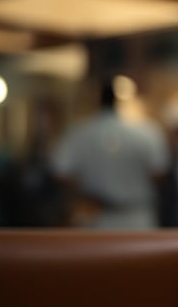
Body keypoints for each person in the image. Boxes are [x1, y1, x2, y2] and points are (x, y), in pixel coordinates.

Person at [50, 79, 170, 230]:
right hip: (137, 216)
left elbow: (60, 173)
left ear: (97, 100)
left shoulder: (79, 132)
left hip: (95, 216)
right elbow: (159, 173)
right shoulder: (148, 132)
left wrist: (84, 192)